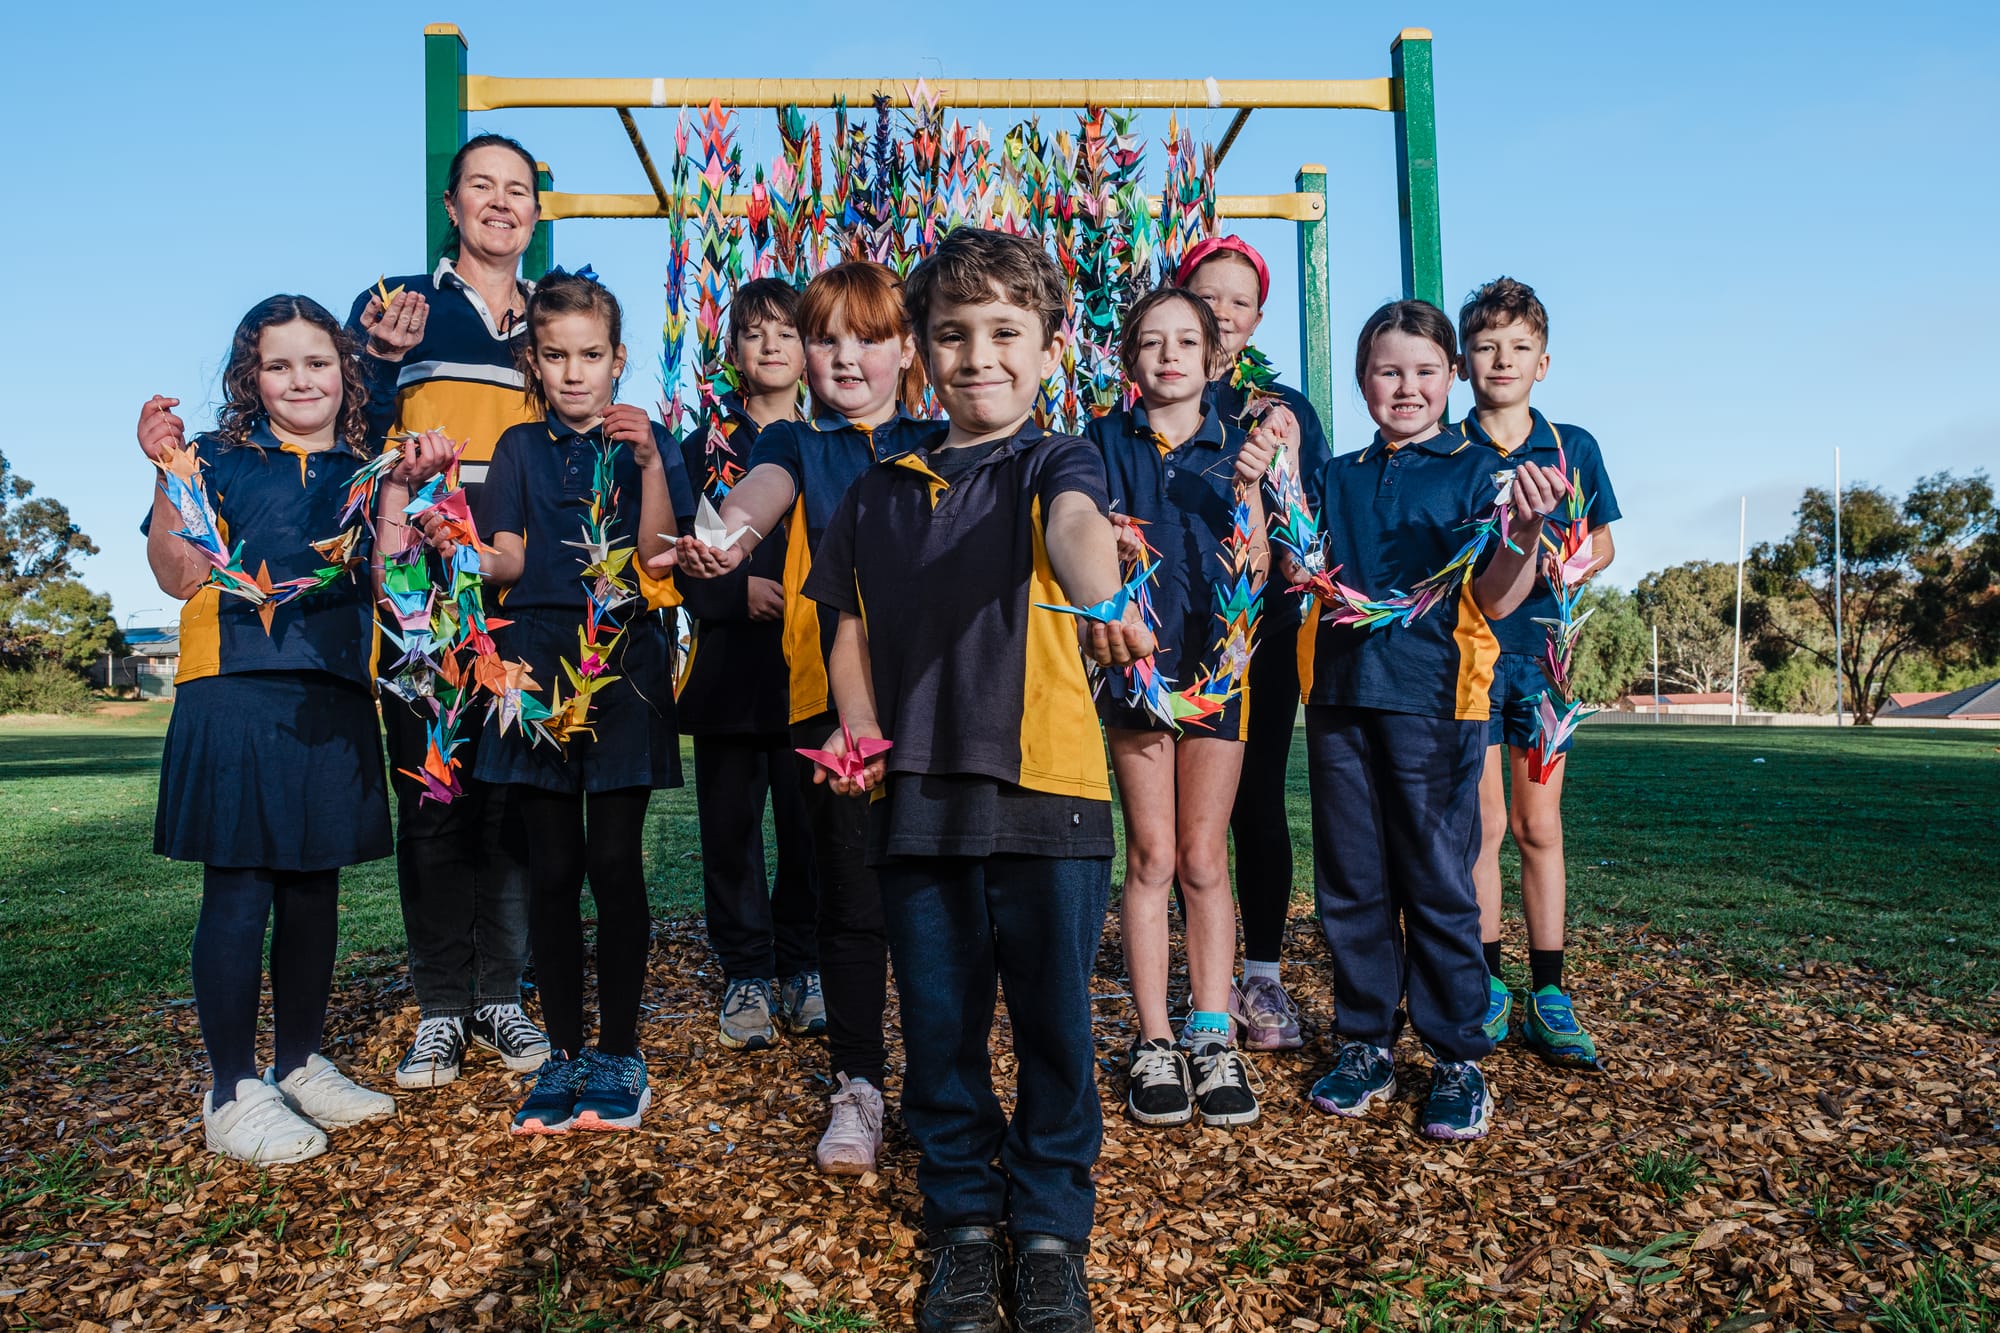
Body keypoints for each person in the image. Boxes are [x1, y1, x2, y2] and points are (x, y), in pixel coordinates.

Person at [803, 227, 1153, 1333]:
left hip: (1046, 790)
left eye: (1006, 332)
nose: (978, 356)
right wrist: (857, 728)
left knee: (1053, 1025)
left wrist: (1103, 603)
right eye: (952, 335)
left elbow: (1080, 530)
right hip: (915, 796)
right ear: (921, 352)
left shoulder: (1057, 462)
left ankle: (1048, 1228)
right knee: (942, 1023)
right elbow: (843, 621)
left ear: (1049, 349)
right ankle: (961, 1218)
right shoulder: (874, 491)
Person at [138, 297, 452, 1162]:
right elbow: (174, 574)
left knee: (315, 886)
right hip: (234, 688)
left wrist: (411, 493)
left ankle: (300, 1059)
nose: (300, 379)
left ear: (344, 371)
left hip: (334, 689)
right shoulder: (211, 456)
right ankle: (232, 1088)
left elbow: (392, 571)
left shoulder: (365, 462)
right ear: (252, 378)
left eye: (317, 361)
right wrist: (167, 467)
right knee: (242, 888)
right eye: (279, 365)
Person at [673, 261, 929, 1175]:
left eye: (868, 336)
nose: (843, 356)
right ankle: (857, 1081)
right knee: (851, 900)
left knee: (943, 903)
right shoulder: (797, 448)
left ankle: (944, 1080)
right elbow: (751, 504)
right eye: (826, 338)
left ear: (909, 347)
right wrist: (720, 540)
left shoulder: (945, 441)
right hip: (833, 712)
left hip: (939, 706)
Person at [1298, 300, 1568, 1142]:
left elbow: (1491, 595)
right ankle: (1365, 1039)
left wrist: (1523, 533)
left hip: (1438, 700)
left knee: (1439, 879)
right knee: (1351, 881)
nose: (1406, 387)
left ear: (1451, 376)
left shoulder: (1475, 473)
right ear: (1361, 380)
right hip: (1340, 697)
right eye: (1387, 370)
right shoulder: (1336, 475)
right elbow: (1299, 567)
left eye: (1423, 370)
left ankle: (1457, 1054)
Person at [464, 271, 695, 1134]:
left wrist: (647, 461)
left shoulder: (651, 440)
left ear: (617, 360)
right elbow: (510, 559)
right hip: (534, 659)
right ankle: (563, 1054)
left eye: (590, 356)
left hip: (624, 657)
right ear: (534, 358)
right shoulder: (520, 449)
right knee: (552, 870)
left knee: (613, 864)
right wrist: (456, 545)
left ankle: (619, 1049)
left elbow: (662, 555)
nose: (573, 372)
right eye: (555, 355)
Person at [346, 133, 549, 1089]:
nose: (501, 203)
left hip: (516, 593)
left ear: (535, 213)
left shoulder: (551, 321)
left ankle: (504, 996)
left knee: (507, 794)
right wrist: (380, 364)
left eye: (518, 190)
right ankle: (440, 1008)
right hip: (423, 599)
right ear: (451, 203)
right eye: (483, 187)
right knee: (433, 795)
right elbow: (346, 435)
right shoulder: (398, 307)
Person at [1084, 287, 1275, 1129]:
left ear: (1213, 359)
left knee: (1204, 855)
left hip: (1218, 670)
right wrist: (1108, 548)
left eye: (1186, 342)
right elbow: (1077, 535)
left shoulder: (1239, 446)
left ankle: (1210, 1030)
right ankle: (1154, 1039)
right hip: (1136, 670)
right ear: (1130, 360)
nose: (1169, 356)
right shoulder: (1099, 443)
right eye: (1152, 343)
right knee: (1152, 853)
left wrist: (1261, 525)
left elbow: (1267, 557)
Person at [1456, 277, 1621, 1068]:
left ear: (1544, 363)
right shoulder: (1447, 450)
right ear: (1463, 359)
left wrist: (1572, 556)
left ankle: (1548, 991)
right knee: (1482, 828)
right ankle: (1486, 985)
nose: (1502, 359)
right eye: (1487, 345)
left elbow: (1605, 542)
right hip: (1469, 660)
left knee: (1539, 827)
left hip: (1543, 665)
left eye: (1519, 346)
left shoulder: (1571, 446)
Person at [1179, 236, 1332, 1051]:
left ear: (1259, 315)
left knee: (1257, 800)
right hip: (1175, 636)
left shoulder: (1283, 407)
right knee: (1182, 823)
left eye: (1240, 300)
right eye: (1209, 295)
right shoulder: (1157, 389)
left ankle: (1263, 975)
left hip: (1262, 633)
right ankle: (1204, 974)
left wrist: (1282, 470)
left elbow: (1313, 534)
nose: (1223, 313)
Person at [676, 278, 822, 1051]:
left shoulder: (831, 440)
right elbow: (668, 550)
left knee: (809, 830)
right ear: (733, 350)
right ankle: (746, 972)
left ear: (809, 350)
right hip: (730, 670)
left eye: (787, 333)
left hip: (814, 673)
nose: (771, 346)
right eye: (754, 333)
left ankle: (802, 965)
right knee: (731, 831)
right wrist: (738, 589)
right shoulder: (702, 449)